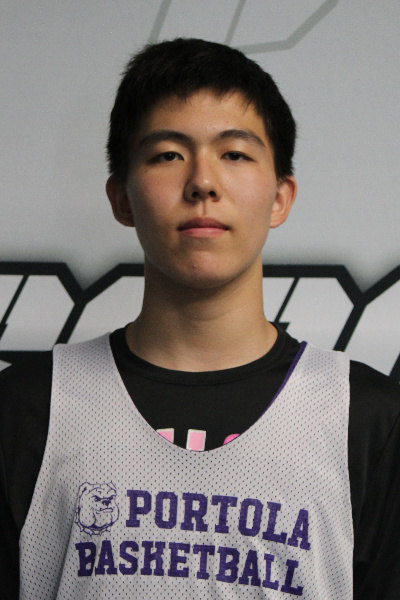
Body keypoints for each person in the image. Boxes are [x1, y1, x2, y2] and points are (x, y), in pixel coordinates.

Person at [1, 37, 400, 600]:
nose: (202, 183)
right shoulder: (25, 409)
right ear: (121, 197)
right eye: (168, 154)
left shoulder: (370, 422)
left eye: (234, 154)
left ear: (281, 196)